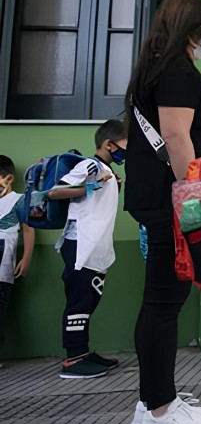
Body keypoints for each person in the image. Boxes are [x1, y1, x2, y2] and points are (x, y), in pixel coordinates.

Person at [125, 0, 201, 424]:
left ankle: (152, 400)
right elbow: (175, 134)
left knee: (160, 300)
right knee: (165, 302)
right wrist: (195, 198)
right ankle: (160, 409)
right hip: (173, 202)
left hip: (156, 197)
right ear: (193, 29)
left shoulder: (154, 69)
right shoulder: (177, 72)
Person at [42, 120, 128, 379]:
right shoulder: (90, 165)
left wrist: (112, 183)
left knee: (89, 298)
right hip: (81, 243)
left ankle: (83, 352)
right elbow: (55, 193)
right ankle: (73, 359)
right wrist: (92, 186)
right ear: (108, 144)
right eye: (125, 146)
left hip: (95, 245)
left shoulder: (106, 170)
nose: (127, 152)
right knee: (79, 300)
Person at [0, 156, 35, 350]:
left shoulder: (19, 200)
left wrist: (26, 259)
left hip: (4, 267)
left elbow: (29, 229)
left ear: (9, 179)